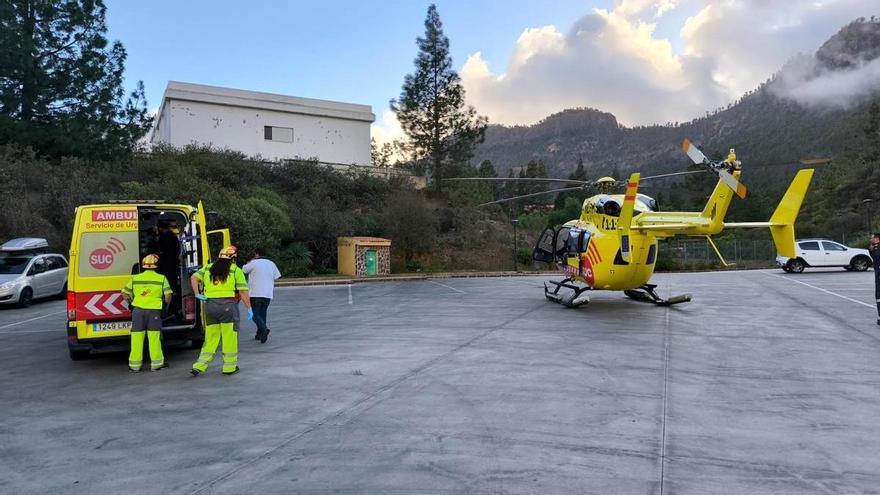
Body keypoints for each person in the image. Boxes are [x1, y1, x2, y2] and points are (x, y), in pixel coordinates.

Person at [190, 245, 253, 376]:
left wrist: (197, 293)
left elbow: (193, 278)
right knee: (229, 337)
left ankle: (199, 365)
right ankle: (229, 367)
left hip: (210, 306)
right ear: (233, 258)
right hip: (228, 306)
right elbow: (242, 291)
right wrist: (249, 308)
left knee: (211, 337)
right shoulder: (235, 270)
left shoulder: (208, 268)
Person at [121, 254, 173, 372]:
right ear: (156, 266)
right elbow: (168, 295)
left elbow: (124, 292)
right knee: (154, 337)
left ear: (144, 265)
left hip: (137, 311)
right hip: (154, 311)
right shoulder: (161, 278)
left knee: (137, 337)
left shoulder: (136, 278)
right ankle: (157, 364)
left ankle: (134, 366)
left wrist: (130, 303)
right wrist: (165, 307)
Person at [243, 248, 281, 344]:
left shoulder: (253, 263)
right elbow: (277, 276)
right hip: (268, 293)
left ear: (256, 254)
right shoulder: (271, 263)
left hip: (255, 293)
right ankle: (259, 334)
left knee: (254, 314)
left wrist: (249, 261)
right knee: (263, 313)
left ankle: (264, 329)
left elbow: (244, 270)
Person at [871, 233, 880, 325]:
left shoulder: (878, 248)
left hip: (879, 273)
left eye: (872, 238)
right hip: (877, 272)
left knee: (879, 295)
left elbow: (877, 258)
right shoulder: (875, 247)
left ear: (877, 239)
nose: (871, 239)